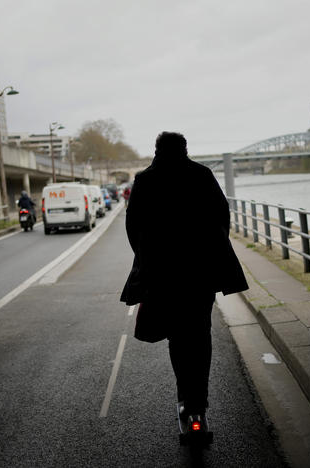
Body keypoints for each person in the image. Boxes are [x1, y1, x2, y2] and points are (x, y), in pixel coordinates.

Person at [121, 131, 248, 419]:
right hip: (200, 273)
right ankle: (199, 403)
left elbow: (133, 226)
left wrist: (145, 258)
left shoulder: (145, 180)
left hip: (162, 276)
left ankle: (185, 399)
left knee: (177, 338)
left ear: (157, 150)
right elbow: (222, 214)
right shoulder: (202, 174)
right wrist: (214, 250)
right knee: (200, 334)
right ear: (185, 149)